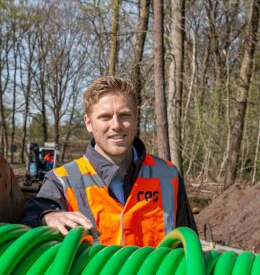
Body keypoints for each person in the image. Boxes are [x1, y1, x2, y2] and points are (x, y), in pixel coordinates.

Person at [21, 76, 196, 246]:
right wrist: (46, 216)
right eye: (105, 117)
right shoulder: (62, 180)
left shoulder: (168, 175)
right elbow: (31, 218)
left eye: (124, 115)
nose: (116, 125)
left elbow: (187, 245)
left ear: (136, 119)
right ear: (88, 123)